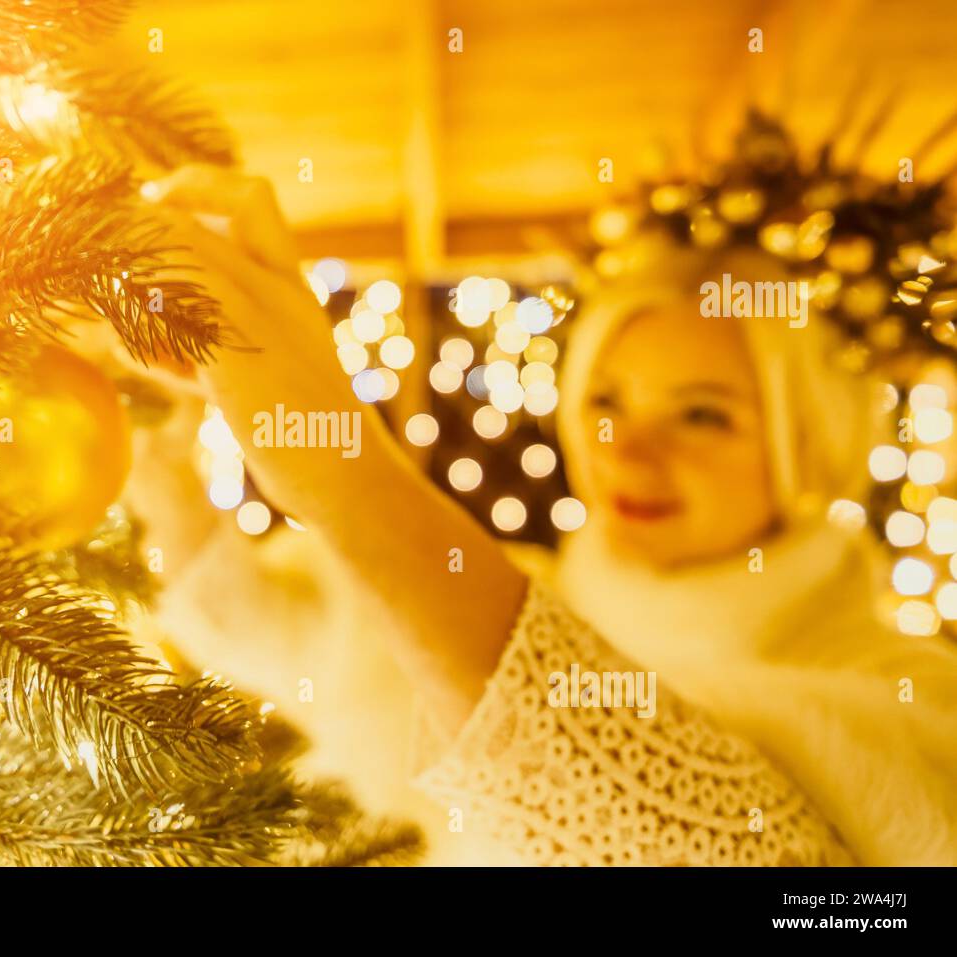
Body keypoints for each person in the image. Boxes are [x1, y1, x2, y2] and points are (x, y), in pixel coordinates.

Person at [136, 164, 957, 865]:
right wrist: (160, 446)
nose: (629, 452)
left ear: (804, 441)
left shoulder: (904, 701)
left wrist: (346, 467)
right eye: (607, 400)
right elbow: (279, 627)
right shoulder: (515, 595)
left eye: (701, 415)